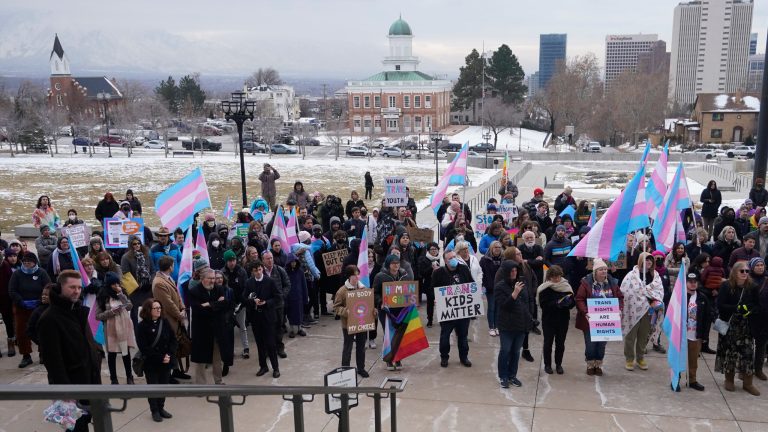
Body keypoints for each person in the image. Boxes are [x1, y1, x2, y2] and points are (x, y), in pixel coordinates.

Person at [38, 270, 101, 432]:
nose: (77, 291)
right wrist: (66, 392)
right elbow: (53, 362)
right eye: (72, 287)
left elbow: (87, 342)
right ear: (60, 287)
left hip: (89, 381)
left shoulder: (77, 310)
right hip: (72, 388)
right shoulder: (49, 319)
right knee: (76, 428)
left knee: (86, 422)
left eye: (79, 287)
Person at [715, 261, 761, 396]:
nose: (745, 274)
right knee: (730, 352)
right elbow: (720, 305)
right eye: (742, 271)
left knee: (747, 353)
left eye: (747, 271)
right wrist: (736, 308)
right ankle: (729, 379)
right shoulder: (726, 286)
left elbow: (758, 306)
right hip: (730, 324)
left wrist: (749, 311)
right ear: (735, 272)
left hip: (746, 326)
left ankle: (748, 383)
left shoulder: (752, 287)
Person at [575, 258, 623, 376]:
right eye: (601, 270)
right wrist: (585, 312)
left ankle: (598, 363)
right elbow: (579, 299)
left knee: (602, 344)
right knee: (590, 344)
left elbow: (620, 297)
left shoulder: (612, 282)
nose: (604, 272)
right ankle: (590, 364)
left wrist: (619, 309)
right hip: (590, 320)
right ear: (595, 271)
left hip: (607, 321)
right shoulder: (586, 283)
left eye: (605, 269)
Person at [620, 252, 663, 371]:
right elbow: (625, 291)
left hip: (649, 311)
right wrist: (640, 293)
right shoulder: (631, 275)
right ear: (640, 261)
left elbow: (659, 291)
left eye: (651, 260)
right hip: (633, 310)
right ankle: (629, 358)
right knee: (631, 335)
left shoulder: (655, 276)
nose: (649, 262)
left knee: (643, 335)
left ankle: (640, 357)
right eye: (646, 260)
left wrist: (650, 295)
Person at [432, 250, 475, 368]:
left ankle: (464, 357)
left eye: (454, 257)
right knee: (445, 335)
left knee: (463, 335)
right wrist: (436, 299)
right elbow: (433, 289)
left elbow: (471, 285)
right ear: (445, 261)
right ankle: (444, 357)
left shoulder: (464, 269)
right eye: (450, 258)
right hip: (447, 310)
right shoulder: (438, 273)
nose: (453, 259)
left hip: (462, 309)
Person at [8, 252, 51, 368]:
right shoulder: (17, 274)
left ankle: (43, 353)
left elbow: (48, 287)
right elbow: (12, 290)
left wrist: (39, 301)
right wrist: (20, 301)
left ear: (35, 262)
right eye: (25, 261)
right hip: (21, 307)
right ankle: (26, 356)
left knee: (41, 330)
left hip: (39, 307)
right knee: (22, 332)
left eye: (30, 261)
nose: (27, 263)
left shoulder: (41, 272)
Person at [136, 298, 176, 422]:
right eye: (156, 308)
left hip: (166, 361)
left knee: (164, 386)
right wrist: (161, 357)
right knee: (153, 388)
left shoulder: (164, 322)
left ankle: (161, 407)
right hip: (151, 363)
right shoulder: (142, 326)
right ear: (149, 310)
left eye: (160, 308)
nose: (159, 310)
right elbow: (144, 347)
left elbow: (173, 340)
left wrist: (169, 354)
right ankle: (154, 410)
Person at [189, 268, 231, 385]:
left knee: (217, 358)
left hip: (217, 330)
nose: (213, 281)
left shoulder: (219, 288)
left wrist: (209, 304)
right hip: (202, 331)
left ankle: (219, 381)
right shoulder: (194, 291)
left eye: (214, 278)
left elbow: (225, 305)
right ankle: (201, 386)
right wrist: (216, 305)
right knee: (201, 360)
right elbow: (198, 310)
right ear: (202, 279)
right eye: (210, 278)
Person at [151, 255, 189, 382]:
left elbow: (177, 296)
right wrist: (179, 314)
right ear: (170, 266)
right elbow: (167, 303)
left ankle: (176, 370)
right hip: (168, 319)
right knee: (169, 347)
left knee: (175, 346)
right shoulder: (159, 283)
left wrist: (183, 308)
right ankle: (169, 375)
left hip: (175, 318)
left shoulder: (168, 278)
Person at [494, 260, 531, 388]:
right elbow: (504, 306)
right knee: (505, 350)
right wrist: (514, 293)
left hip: (521, 324)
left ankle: (512, 375)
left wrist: (530, 319)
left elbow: (526, 303)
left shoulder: (521, 283)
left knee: (516, 352)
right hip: (506, 325)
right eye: (511, 271)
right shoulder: (499, 287)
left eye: (515, 270)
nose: (514, 273)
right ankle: (503, 376)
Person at [95, 272, 136, 384]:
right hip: (110, 328)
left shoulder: (121, 292)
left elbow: (129, 306)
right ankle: (114, 379)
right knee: (111, 354)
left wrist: (120, 294)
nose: (116, 285)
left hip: (124, 326)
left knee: (125, 352)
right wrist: (111, 312)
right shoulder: (102, 296)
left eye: (117, 283)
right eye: (113, 284)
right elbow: (98, 316)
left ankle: (129, 377)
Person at [243, 261, 281, 378]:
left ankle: (276, 368)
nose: (258, 272)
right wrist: (252, 301)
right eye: (255, 270)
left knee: (271, 344)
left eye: (260, 269)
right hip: (256, 318)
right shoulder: (249, 283)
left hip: (268, 317)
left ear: (262, 269)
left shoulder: (269, 281)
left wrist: (266, 303)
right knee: (260, 344)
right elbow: (244, 298)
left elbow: (278, 297)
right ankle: (263, 366)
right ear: (252, 272)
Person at [333, 265, 372, 378]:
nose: (356, 277)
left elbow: (368, 305)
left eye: (357, 275)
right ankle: (345, 369)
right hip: (348, 325)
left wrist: (373, 311)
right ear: (349, 276)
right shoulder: (342, 291)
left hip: (361, 323)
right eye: (354, 275)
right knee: (348, 347)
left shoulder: (363, 289)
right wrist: (346, 312)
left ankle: (361, 368)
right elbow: (336, 307)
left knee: (361, 347)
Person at [373, 254, 409, 370]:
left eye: (398, 263)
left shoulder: (404, 275)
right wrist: (380, 302)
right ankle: (388, 359)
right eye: (393, 263)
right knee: (389, 333)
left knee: (399, 334)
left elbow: (409, 289)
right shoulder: (380, 276)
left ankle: (398, 358)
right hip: (386, 310)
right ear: (388, 264)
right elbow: (375, 293)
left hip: (401, 309)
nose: (396, 265)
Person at [536, 265, 574, 375]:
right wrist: (557, 303)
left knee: (560, 343)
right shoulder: (544, 288)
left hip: (563, 320)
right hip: (549, 320)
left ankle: (558, 364)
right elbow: (543, 304)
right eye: (554, 277)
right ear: (549, 277)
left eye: (558, 277)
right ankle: (547, 365)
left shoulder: (566, 286)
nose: (557, 279)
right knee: (548, 343)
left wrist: (569, 303)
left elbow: (572, 302)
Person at [682, 273, 711, 392]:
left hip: (695, 335)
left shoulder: (702, 298)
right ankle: (676, 379)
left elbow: (707, 318)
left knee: (693, 360)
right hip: (681, 335)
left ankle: (692, 380)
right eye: (690, 281)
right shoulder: (680, 296)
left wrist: (704, 336)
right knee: (678, 359)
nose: (693, 283)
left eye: (695, 281)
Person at [262, 251, 290, 359]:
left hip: (278, 305)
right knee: (268, 328)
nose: (270, 260)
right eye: (267, 258)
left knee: (279, 326)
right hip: (266, 306)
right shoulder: (260, 272)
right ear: (263, 260)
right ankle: (269, 349)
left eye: (271, 258)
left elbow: (287, 284)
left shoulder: (279, 270)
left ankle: (279, 347)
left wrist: (282, 295)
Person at [480, 241, 503, 336]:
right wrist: (484, 285)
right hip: (490, 288)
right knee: (492, 307)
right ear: (491, 248)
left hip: (501, 287)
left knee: (498, 308)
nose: (497, 249)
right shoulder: (484, 259)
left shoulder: (504, 259)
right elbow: (481, 273)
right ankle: (491, 327)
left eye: (499, 247)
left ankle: (497, 326)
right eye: (495, 247)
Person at [0, 248, 18, 357]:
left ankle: (11, 343)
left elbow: (10, 282)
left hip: (5, 299)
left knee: (8, 322)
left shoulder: (5, 265)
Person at [418, 242, 441, 328]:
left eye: (436, 249)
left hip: (440, 284)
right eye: (432, 249)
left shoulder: (441, 258)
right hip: (429, 284)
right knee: (430, 303)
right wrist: (431, 267)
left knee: (441, 303)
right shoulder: (424, 259)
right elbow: (422, 273)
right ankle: (430, 320)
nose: (434, 251)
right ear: (428, 250)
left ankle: (442, 319)